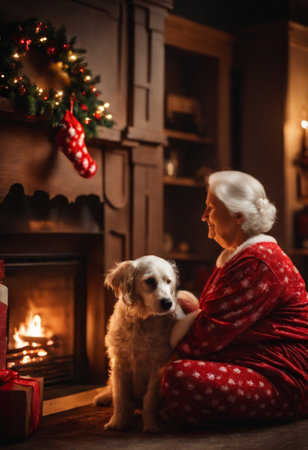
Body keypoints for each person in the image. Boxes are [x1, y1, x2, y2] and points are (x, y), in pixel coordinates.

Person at [161, 170, 308, 426]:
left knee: (178, 376)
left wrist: (160, 352)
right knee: (169, 377)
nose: (204, 216)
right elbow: (216, 318)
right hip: (260, 364)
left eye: (211, 207)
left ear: (238, 216)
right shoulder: (241, 256)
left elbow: (208, 335)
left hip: (284, 379)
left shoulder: (257, 260)